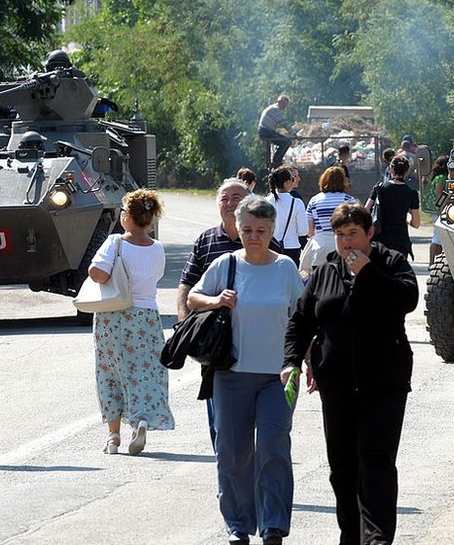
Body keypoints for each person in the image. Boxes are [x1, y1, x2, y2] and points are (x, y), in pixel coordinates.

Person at [281, 202, 419, 545]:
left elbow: (407, 299)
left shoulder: (392, 263)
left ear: (370, 234)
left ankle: (377, 539)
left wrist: (368, 272)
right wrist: (292, 361)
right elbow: (301, 321)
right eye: (340, 236)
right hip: (337, 386)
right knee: (342, 469)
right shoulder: (326, 271)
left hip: (384, 384)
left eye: (353, 234)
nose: (346, 244)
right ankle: (351, 536)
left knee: (375, 462)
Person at [188, 197, 304, 545]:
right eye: (248, 230)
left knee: (273, 447)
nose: (254, 237)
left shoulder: (285, 268)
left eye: (262, 231)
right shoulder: (225, 264)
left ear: (272, 231)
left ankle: (273, 526)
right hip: (231, 374)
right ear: (238, 230)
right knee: (233, 453)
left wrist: (303, 362)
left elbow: (303, 318)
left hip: (278, 376)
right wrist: (216, 300)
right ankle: (237, 525)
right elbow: (194, 296)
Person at [177, 180, 283, 448]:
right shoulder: (205, 240)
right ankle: (225, 461)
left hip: (261, 349)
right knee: (221, 418)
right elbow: (187, 285)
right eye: (224, 198)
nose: (229, 203)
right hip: (217, 343)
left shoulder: (275, 249)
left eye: (236, 197)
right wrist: (185, 323)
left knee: (265, 423)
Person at [88, 188, 173, 455]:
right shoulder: (157, 249)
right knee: (144, 372)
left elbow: (97, 275)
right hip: (147, 317)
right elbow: (154, 278)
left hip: (114, 316)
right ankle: (141, 420)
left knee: (111, 373)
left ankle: (113, 436)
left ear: (127, 216)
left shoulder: (115, 242)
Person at [299, 166, 357, 277]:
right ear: (343, 181)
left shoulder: (314, 200)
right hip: (343, 247)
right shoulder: (348, 200)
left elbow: (309, 230)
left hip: (319, 247)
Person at [365, 155, 421, 258]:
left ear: (391, 169)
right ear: (407, 171)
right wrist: (406, 219)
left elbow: (365, 211)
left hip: (379, 239)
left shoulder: (379, 188)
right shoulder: (411, 193)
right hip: (400, 241)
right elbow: (416, 224)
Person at [266, 166, 307, 266]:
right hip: (291, 248)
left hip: (270, 246)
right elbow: (303, 230)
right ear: (287, 182)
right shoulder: (297, 203)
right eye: (292, 179)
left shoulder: (265, 202)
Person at [420, 155, 448, 264]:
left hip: (439, 210)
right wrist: (442, 210)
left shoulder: (440, 176)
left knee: (439, 238)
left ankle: (436, 263)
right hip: (438, 210)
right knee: (437, 237)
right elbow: (439, 195)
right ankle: (432, 263)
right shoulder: (441, 178)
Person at [258, 95, 297, 168]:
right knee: (286, 141)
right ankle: (276, 161)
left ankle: (277, 160)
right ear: (280, 102)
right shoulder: (275, 109)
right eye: (284, 104)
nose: (285, 107)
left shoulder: (272, 108)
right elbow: (283, 122)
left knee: (284, 141)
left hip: (266, 131)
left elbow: (277, 123)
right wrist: (293, 133)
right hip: (266, 131)